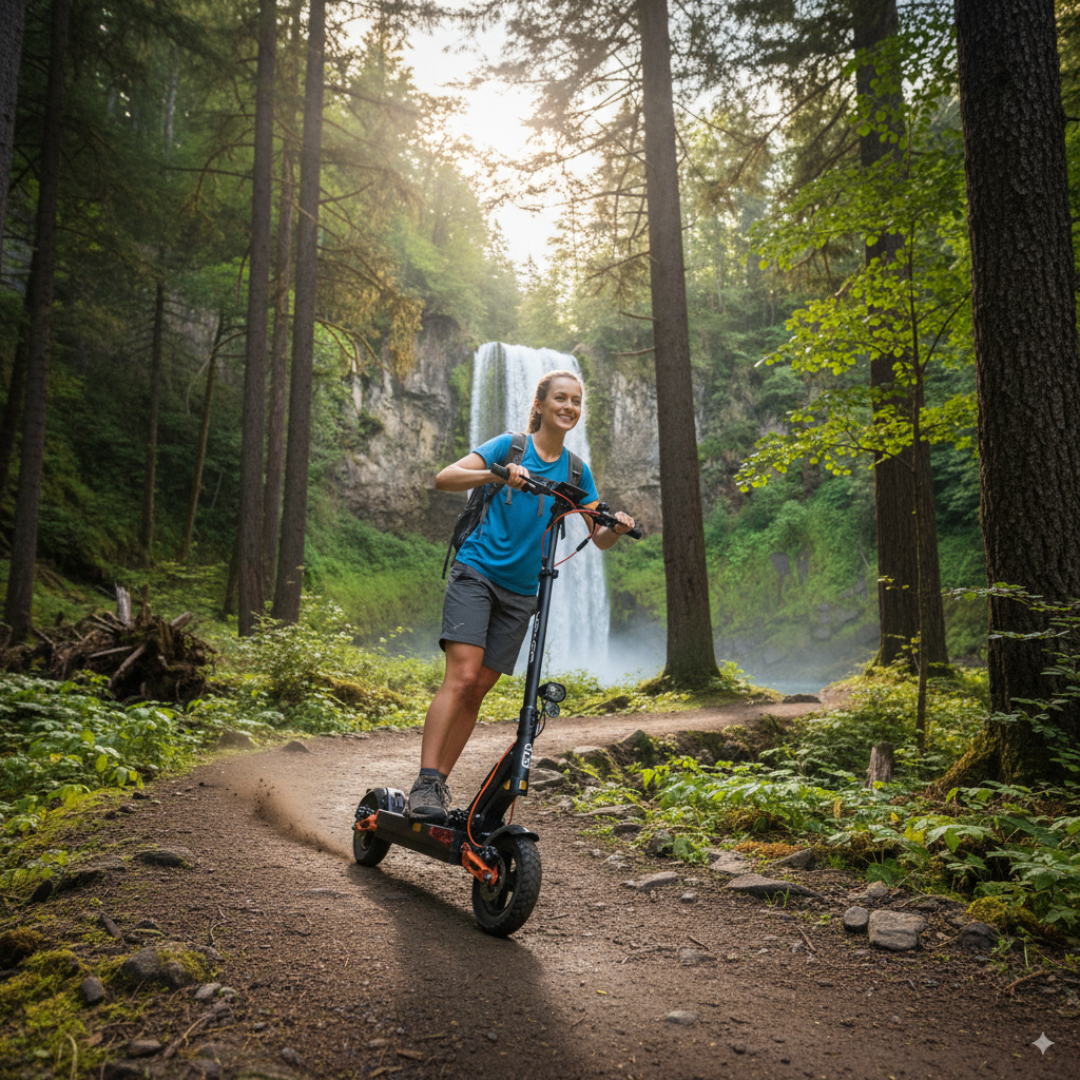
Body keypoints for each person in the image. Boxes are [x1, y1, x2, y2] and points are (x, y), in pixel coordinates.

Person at [406, 369, 635, 823]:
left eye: (576, 401)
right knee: (463, 676)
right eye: (560, 398)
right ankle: (424, 782)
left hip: (522, 591)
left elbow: (599, 538)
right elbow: (444, 478)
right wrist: (498, 474)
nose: (569, 407)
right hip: (477, 572)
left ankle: (439, 785)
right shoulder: (510, 447)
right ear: (541, 404)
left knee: (479, 690)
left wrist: (618, 528)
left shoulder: (576, 471)